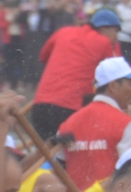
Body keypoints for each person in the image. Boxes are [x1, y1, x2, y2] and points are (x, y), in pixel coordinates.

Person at [57, 56, 131, 192]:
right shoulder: (126, 123)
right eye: (129, 84)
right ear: (113, 86)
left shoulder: (67, 124)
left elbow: (58, 168)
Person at [29, 9, 123, 140]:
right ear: (103, 28)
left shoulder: (63, 31)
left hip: (40, 108)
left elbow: (43, 57)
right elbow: (116, 74)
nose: (117, 37)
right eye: (116, 31)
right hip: (69, 111)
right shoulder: (103, 42)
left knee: (47, 155)